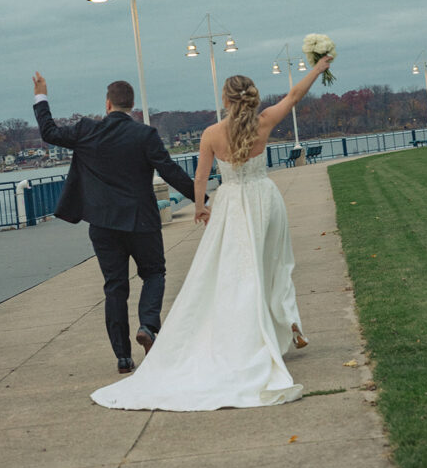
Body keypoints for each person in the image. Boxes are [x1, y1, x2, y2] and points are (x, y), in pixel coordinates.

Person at [90, 54, 332, 411]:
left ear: (225, 99)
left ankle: (254, 333)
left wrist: (201, 206)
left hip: (233, 203)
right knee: (272, 265)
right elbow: (294, 96)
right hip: (265, 200)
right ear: (250, 97)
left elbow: (201, 177)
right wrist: (318, 68)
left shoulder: (212, 134)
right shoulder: (264, 122)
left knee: (235, 273)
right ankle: (283, 322)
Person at [32, 72, 208, 373]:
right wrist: (200, 201)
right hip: (142, 221)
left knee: (115, 287)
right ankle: (148, 326)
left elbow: (49, 132)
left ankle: (123, 358)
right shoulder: (145, 135)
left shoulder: (87, 130)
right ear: (132, 106)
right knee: (154, 273)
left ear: (108, 104)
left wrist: (41, 96)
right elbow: (169, 171)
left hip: (102, 224)